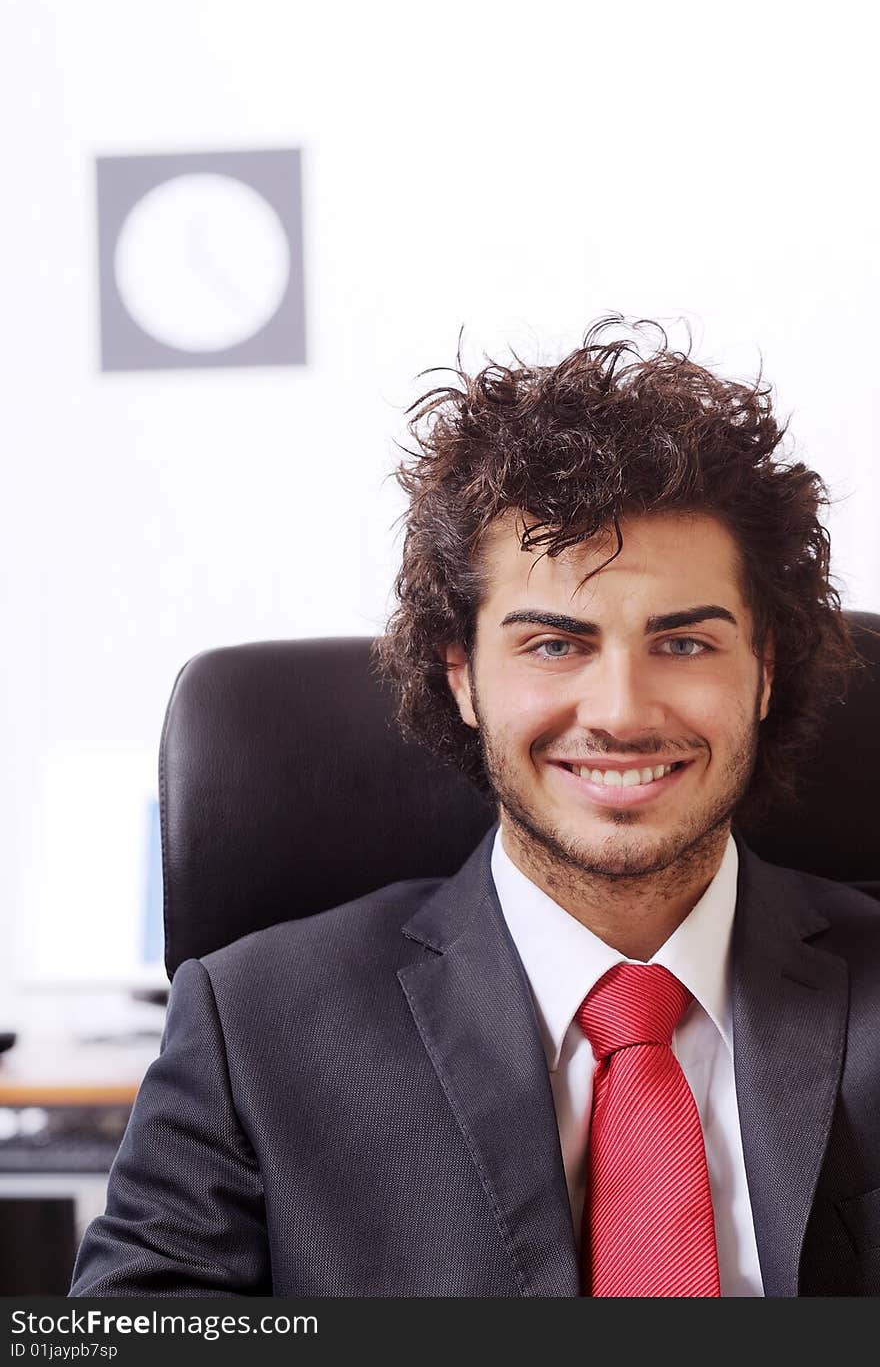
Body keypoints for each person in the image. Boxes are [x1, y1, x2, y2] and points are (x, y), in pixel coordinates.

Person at [70, 317, 879, 1298]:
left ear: (764, 672)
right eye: (552, 645)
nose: (620, 711)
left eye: (684, 644)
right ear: (461, 675)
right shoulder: (255, 1028)